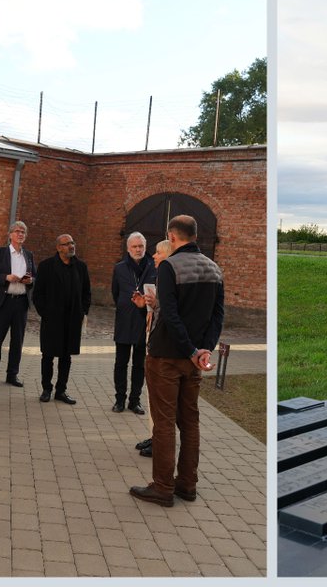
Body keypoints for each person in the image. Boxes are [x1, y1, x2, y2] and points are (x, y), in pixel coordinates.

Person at [130, 214, 224, 508]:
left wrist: (190, 350)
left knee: (164, 423)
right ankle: (187, 483)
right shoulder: (214, 268)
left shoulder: (170, 266)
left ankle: (162, 487)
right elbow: (218, 315)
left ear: (172, 237)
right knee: (190, 422)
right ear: (195, 235)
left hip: (167, 356)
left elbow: (169, 314)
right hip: (194, 359)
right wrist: (204, 349)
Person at [32, 234, 92, 404]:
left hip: (72, 320)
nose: (71, 246)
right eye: (66, 244)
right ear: (58, 248)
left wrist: (82, 311)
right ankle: (46, 389)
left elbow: (86, 292)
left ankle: (61, 390)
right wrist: (45, 313)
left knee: (66, 357)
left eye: (72, 243)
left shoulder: (80, 267)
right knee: (48, 355)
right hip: (52, 320)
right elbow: (38, 294)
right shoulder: (46, 266)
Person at [0, 220, 36, 387]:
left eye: (23, 232)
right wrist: (6, 277)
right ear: (10, 234)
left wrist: (30, 280)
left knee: (17, 341)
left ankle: (12, 375)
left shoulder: (29, 255)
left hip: (21, 303)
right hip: (3, 302)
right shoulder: (0, 252)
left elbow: (35, 276)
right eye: (17, 231)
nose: (20, 234)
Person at [134, 238, 172, 459]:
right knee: (153, 396)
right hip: (154, 339)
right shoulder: (159, 277)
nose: (154, 256)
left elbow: (170, 313)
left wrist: (156, 304)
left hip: (165, 346)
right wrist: (145, 305)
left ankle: (161, 441)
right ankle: (154, 434)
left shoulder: (171, 279)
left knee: (162, 398)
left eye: (159, 252)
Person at [112, 232, 156, 414]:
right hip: (124, 320)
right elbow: (115, 293)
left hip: (144, 322)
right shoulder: (120, 268)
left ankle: (135, 400)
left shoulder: (153, 267)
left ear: (145, 247)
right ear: (128, 248)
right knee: (121, 363)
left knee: (139, 364)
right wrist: (125, 305)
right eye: (134, 247)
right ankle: (119, 400)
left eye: (141, 246)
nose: (138, 250)